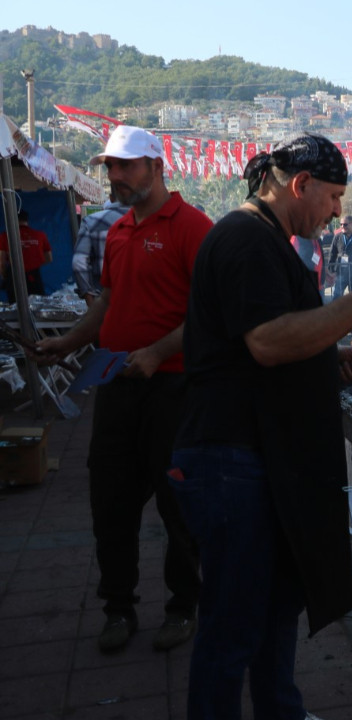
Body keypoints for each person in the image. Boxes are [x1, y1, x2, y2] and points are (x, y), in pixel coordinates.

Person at [171, 134, 352, 719]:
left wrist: (326, 354)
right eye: (333, 196)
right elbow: (265, 343)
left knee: (272, 613)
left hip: (260, 459)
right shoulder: (244, 239)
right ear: (300, 184)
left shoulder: (268, 240)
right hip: (232, 462)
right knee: (233, 629)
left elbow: (273, 331)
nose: (338, 210)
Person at [35, 125, 205, 654]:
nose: (114, 177)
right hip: (117, 386)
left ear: (156, 166)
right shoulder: (120, 231)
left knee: (179, 507)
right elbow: (108, 303)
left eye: (125, 166)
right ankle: (118, 608)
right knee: (110, 502)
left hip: (175, 390)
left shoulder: (193, 228)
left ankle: (182, 608)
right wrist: (69, 341)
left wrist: (156, 353)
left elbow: (210, 313)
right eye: (110, 166)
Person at [71, 196, 128, 298]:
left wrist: (88, 295)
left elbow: (79, 262)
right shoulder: (150, 220)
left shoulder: (91, 221)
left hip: (103, 297)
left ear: (111, 197)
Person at [0, 209, 53, 298]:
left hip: (14, 276)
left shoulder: (5, 236)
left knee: (16, 306)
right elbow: (49, 258)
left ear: (12, 219)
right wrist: (33, 264)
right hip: (34, 276)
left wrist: (5, 275)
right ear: (27, 220)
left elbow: (2, 262)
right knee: (37, 304)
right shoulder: (40, 235)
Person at [327, 215, 352, 298]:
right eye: (341, 224)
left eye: (345, 224)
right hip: (340, 273)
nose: (342, 226)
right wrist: (331, 271)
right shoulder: (337, 237)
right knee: (337, 296)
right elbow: (332, 254)